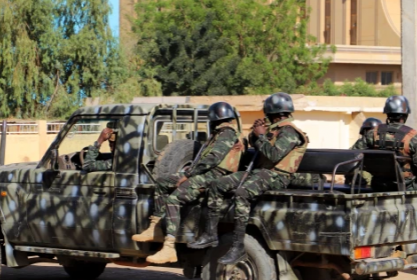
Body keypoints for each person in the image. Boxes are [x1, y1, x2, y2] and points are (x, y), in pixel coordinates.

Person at [189, 92, 309, 265]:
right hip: (260, 172)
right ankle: (210, 234)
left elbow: (274, 155)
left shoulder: (289, 131)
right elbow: (259, 147)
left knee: (242, 193)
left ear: (272, 113)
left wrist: (260, 135)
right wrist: (254, 134)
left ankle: (238, 247)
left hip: (278, 175)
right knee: (217, 185)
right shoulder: (274, 130)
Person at [132, 102, 244, 265]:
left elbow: (213, 159)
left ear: (213, 119)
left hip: (214, 175)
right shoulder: (219, 133)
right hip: (205, 172)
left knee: (173, 200)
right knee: (163, 182)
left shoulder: (227, 133)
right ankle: (155, 227)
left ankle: (169, 248)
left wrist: (188, 174)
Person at [352, 95, 417, 190]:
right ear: (405, 115)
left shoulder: (372, 134)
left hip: (378, 184)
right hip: (406, 185)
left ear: (387, 114)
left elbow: (353, 154)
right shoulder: (412, 137)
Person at [346, 117, 382, 187]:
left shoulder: (381, 146)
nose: (372, 135)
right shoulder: (359, 145)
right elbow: (348, 162)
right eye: (370, 132)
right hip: (359, 181)